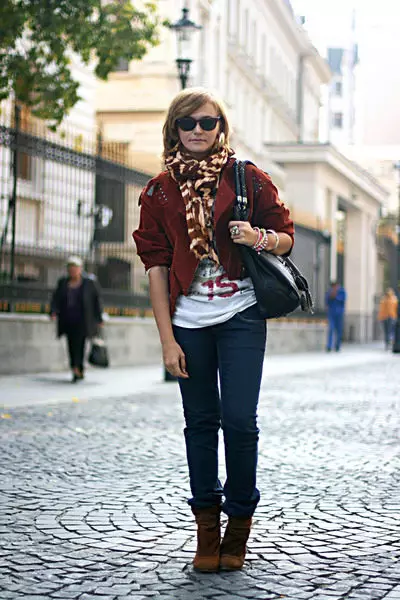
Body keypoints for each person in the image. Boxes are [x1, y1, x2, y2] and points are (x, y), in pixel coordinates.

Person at [132, 87, 294, 572]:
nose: (199, 131)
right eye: (188, 123)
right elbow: (156, 268)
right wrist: (166, 340)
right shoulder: (158, 191)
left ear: (221, 128)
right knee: (200, 424)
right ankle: (206, 528)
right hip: (189, 323)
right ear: (174, 130)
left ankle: (239, 520)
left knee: (240, 421)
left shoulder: (248, 179)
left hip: (242, 314)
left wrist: (257, 236)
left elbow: (286, 237)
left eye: (208, 122)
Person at [50, 256, 103, 382]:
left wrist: (99, 318)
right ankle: (75, 367)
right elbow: (56, 298)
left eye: (75, 268)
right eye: (70, 269)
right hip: (67, 319)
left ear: (80, 269)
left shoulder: (89, 283)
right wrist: (53, 311)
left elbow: (96, 301)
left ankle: (78, 368)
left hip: (83, 320)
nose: (73, 271)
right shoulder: (63, 282)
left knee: (80, 344)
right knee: (71, 344)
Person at [325, 281, 346, 352]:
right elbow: (327, 301)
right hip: (331, 314)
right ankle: (329, 346)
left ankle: (337, 346)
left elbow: (342, 300)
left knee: (339, 330)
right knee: (331, 329)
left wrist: (335, 296)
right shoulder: (329, 292)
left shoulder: (342, 291)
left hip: (339, 314)